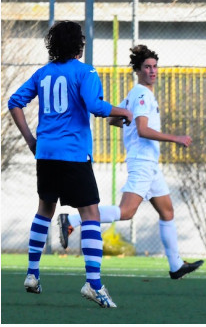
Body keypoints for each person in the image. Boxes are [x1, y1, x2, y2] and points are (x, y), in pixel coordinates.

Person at [8, 21, 133, 308]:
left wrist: (31, 140)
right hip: (74, 154)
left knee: (44, 210)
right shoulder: (85, 71)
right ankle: (94, 284)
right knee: (90, 214)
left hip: (46, 154)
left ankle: (32, 274)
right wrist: (122, 110)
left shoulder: (43, 74)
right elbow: (95, 105)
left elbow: (14, 102)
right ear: (79, 44)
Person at [58, 45, 203, 280]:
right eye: (147, 67)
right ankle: (72, 220)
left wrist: (128, 122)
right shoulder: (142, 94)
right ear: (138, 70)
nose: (153, 71)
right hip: (142, 161)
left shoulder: (135, 93)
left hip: (149, 164)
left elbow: (114, 119)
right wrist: (175, 138)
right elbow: (144, 130)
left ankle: (176, 265)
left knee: (167, 211)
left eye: (155, 66)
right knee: (126, 212)